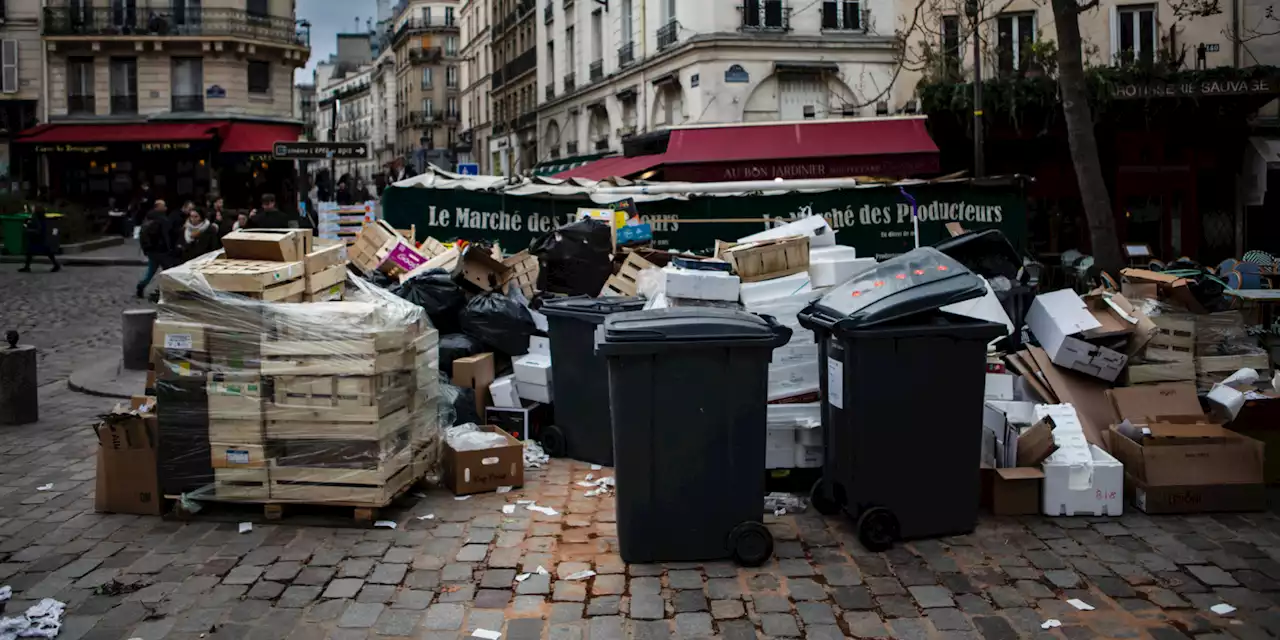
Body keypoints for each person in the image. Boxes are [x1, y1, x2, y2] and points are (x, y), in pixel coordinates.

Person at [136, 201, 172, 298]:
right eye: (164, 205)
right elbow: (165, 236)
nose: (166, 207)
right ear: (158, 207)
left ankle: (142, 285)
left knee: (151, 271)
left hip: (151, 250)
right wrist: (169, 248)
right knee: (168, 270)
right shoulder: (161, 219)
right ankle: (160, 290)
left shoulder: (148, 217)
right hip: (160, 250)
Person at [18, 206, 61, 273]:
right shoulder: (42, 218)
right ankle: (56, 265)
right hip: (41, 237)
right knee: (46, 252)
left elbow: (38, 229)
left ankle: (27, 267)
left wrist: (28, 230)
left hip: (37, 238)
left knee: (31, 251)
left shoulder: (36, 218)